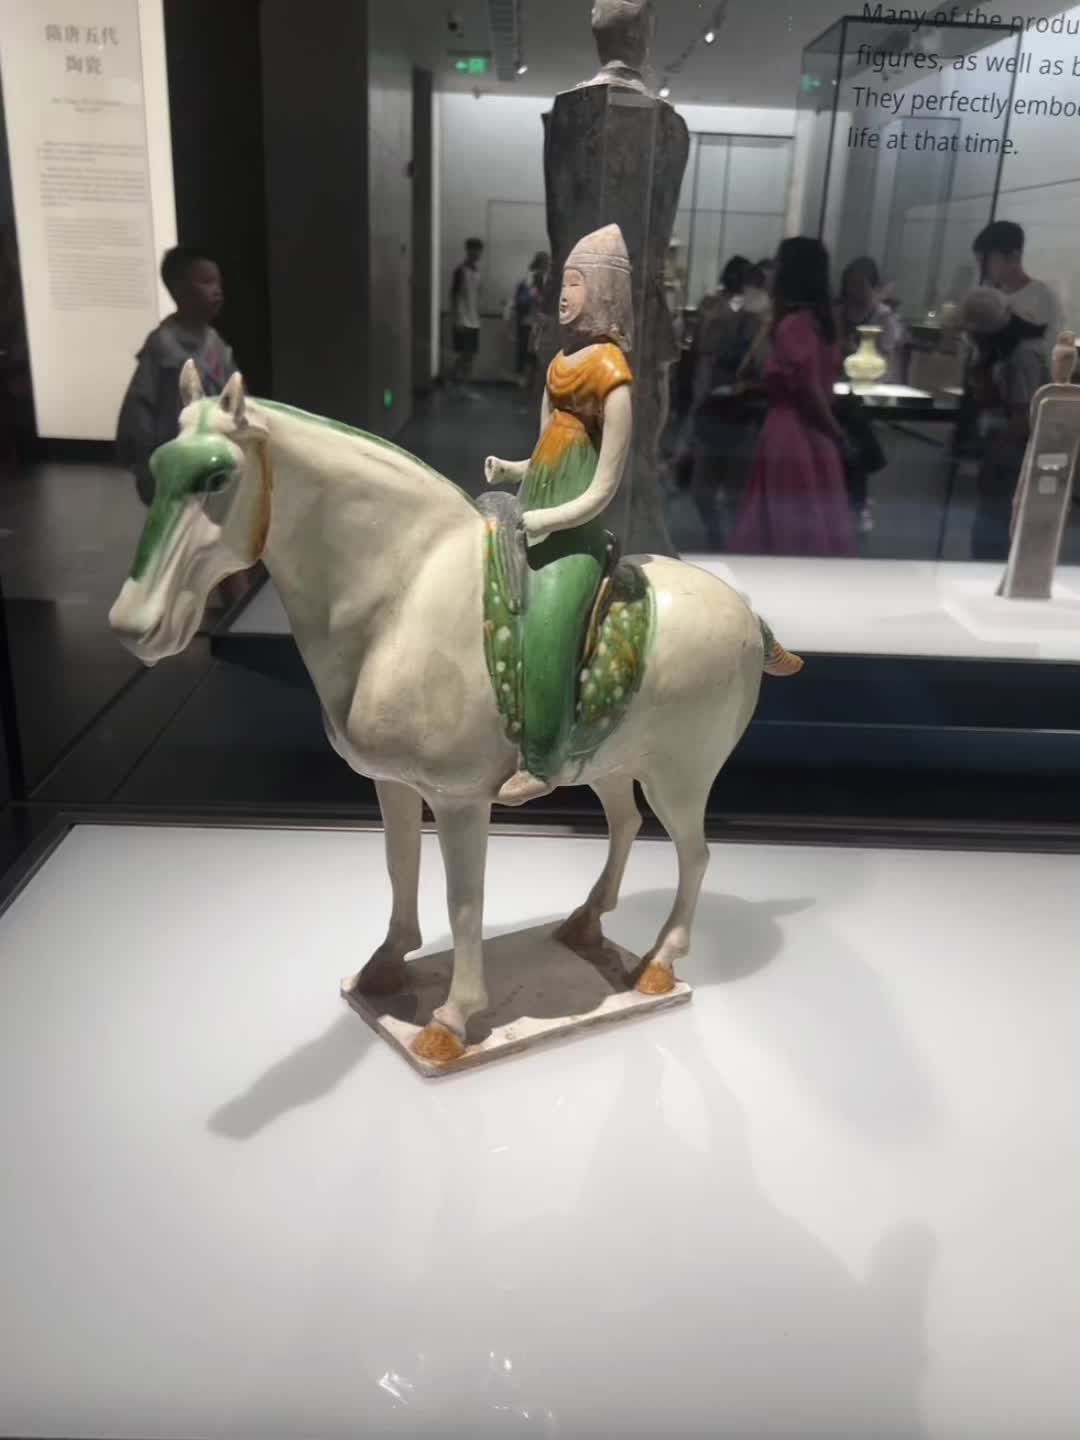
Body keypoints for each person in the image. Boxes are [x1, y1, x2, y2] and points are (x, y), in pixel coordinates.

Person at [484, 224, 635, 805]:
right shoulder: (557, 367)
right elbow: (546, 449)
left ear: (602, 292)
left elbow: (603, 487)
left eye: (576, 284)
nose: (564, 295)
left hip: (573, 538)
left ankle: (542, 760)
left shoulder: (613, 378)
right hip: (531, 515)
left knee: (548, 627)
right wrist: (512, 470)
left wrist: (551, 521)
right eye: (564, 283)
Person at [730, 237, 855, 557]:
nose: (772, 273)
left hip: (791, 433)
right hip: (814, 435)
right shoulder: (819, 324)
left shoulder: (792, 325)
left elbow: (807, 389)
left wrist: (836, 432)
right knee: (814, 520)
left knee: (789, 525)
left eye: (778, 265)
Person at [116, 246, 235, 505]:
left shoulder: (216, 343)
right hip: (172, 456)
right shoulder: (162, 344)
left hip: (211, 452)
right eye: (206, 282)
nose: (217, 290)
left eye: (218, 282)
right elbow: (141, 402)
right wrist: (142, 457)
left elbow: (234, 392)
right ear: (179, 290)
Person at [961, 285, 1050, 561]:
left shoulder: (1022, 353)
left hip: (1013, 450)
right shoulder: (1003, 349)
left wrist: (998, 451)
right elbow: (989, 397)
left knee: (999, 521)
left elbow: (1022, 415)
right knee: (993, 518)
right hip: (1003, 446)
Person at [973, 221, 1061, 360]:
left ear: (1014, 256)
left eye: (986, 262)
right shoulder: (986, 295)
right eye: (979, 263)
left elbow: (1047, 354)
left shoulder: (1041, 298)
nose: (982, 270)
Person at [450, 237, 484, 398]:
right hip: (462, 320)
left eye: (479, 250)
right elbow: (454, 297)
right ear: (468, 250)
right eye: (474, 250)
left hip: (474, 320)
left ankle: (461, 386)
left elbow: (477, 295)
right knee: (463, 355)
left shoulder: (477, 272)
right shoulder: (460, 271)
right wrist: (457, 319)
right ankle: (455, 383)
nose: (477, 253)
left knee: (470, 356)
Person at [513, 251, 549, 391]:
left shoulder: (546, 280)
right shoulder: (529, 279)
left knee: (534, 353)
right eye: (544, 264)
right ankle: (523, 380)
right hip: (527, 321)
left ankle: (531, 381)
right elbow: (521, 300)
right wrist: (533, 297)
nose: (545, 267)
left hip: (538, 322)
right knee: (524, 351)